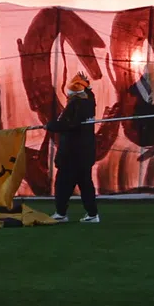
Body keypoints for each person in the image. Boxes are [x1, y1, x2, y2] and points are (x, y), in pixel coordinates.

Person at [47, 72, 100, 223]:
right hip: (85, 152)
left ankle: (61, 213)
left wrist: (51, 125)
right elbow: (89, 94)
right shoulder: (90, 102)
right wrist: (87, 85)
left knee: (63, 184)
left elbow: (69, 125)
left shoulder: (75, 105)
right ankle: (92, 214)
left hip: (72, 153)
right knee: (85, 184)